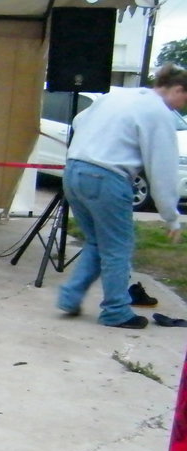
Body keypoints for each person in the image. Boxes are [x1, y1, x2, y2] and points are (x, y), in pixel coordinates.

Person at [56, 64, 186, 329]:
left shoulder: (117, 96)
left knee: (96, 241)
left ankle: (70, 297)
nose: (182, 107)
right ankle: (116, 311)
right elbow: (162, 169)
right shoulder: (159, 113)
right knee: (118, 248)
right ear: (177, 89)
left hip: (74, 170)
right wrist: (171, 217)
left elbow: (79, 121)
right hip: (108, 177)